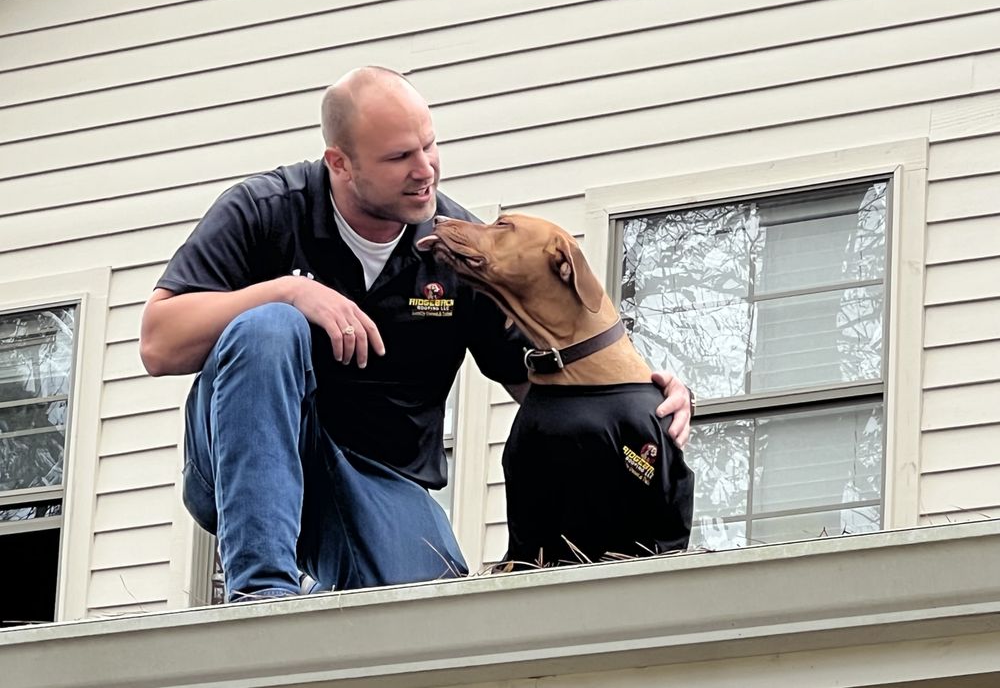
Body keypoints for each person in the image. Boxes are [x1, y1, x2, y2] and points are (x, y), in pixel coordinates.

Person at [139, 66, 694, 602]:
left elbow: (550, 382)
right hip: (248, 462)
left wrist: (643, 399)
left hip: (380, 480)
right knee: (268, 326)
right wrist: (286, 290)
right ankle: (261, 594)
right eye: (400, 157)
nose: (425, 169)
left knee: (440, 619)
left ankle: (325, 591)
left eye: (429, 146)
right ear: (341, 164)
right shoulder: (266, 211)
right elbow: (159, 343)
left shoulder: (456, 250)